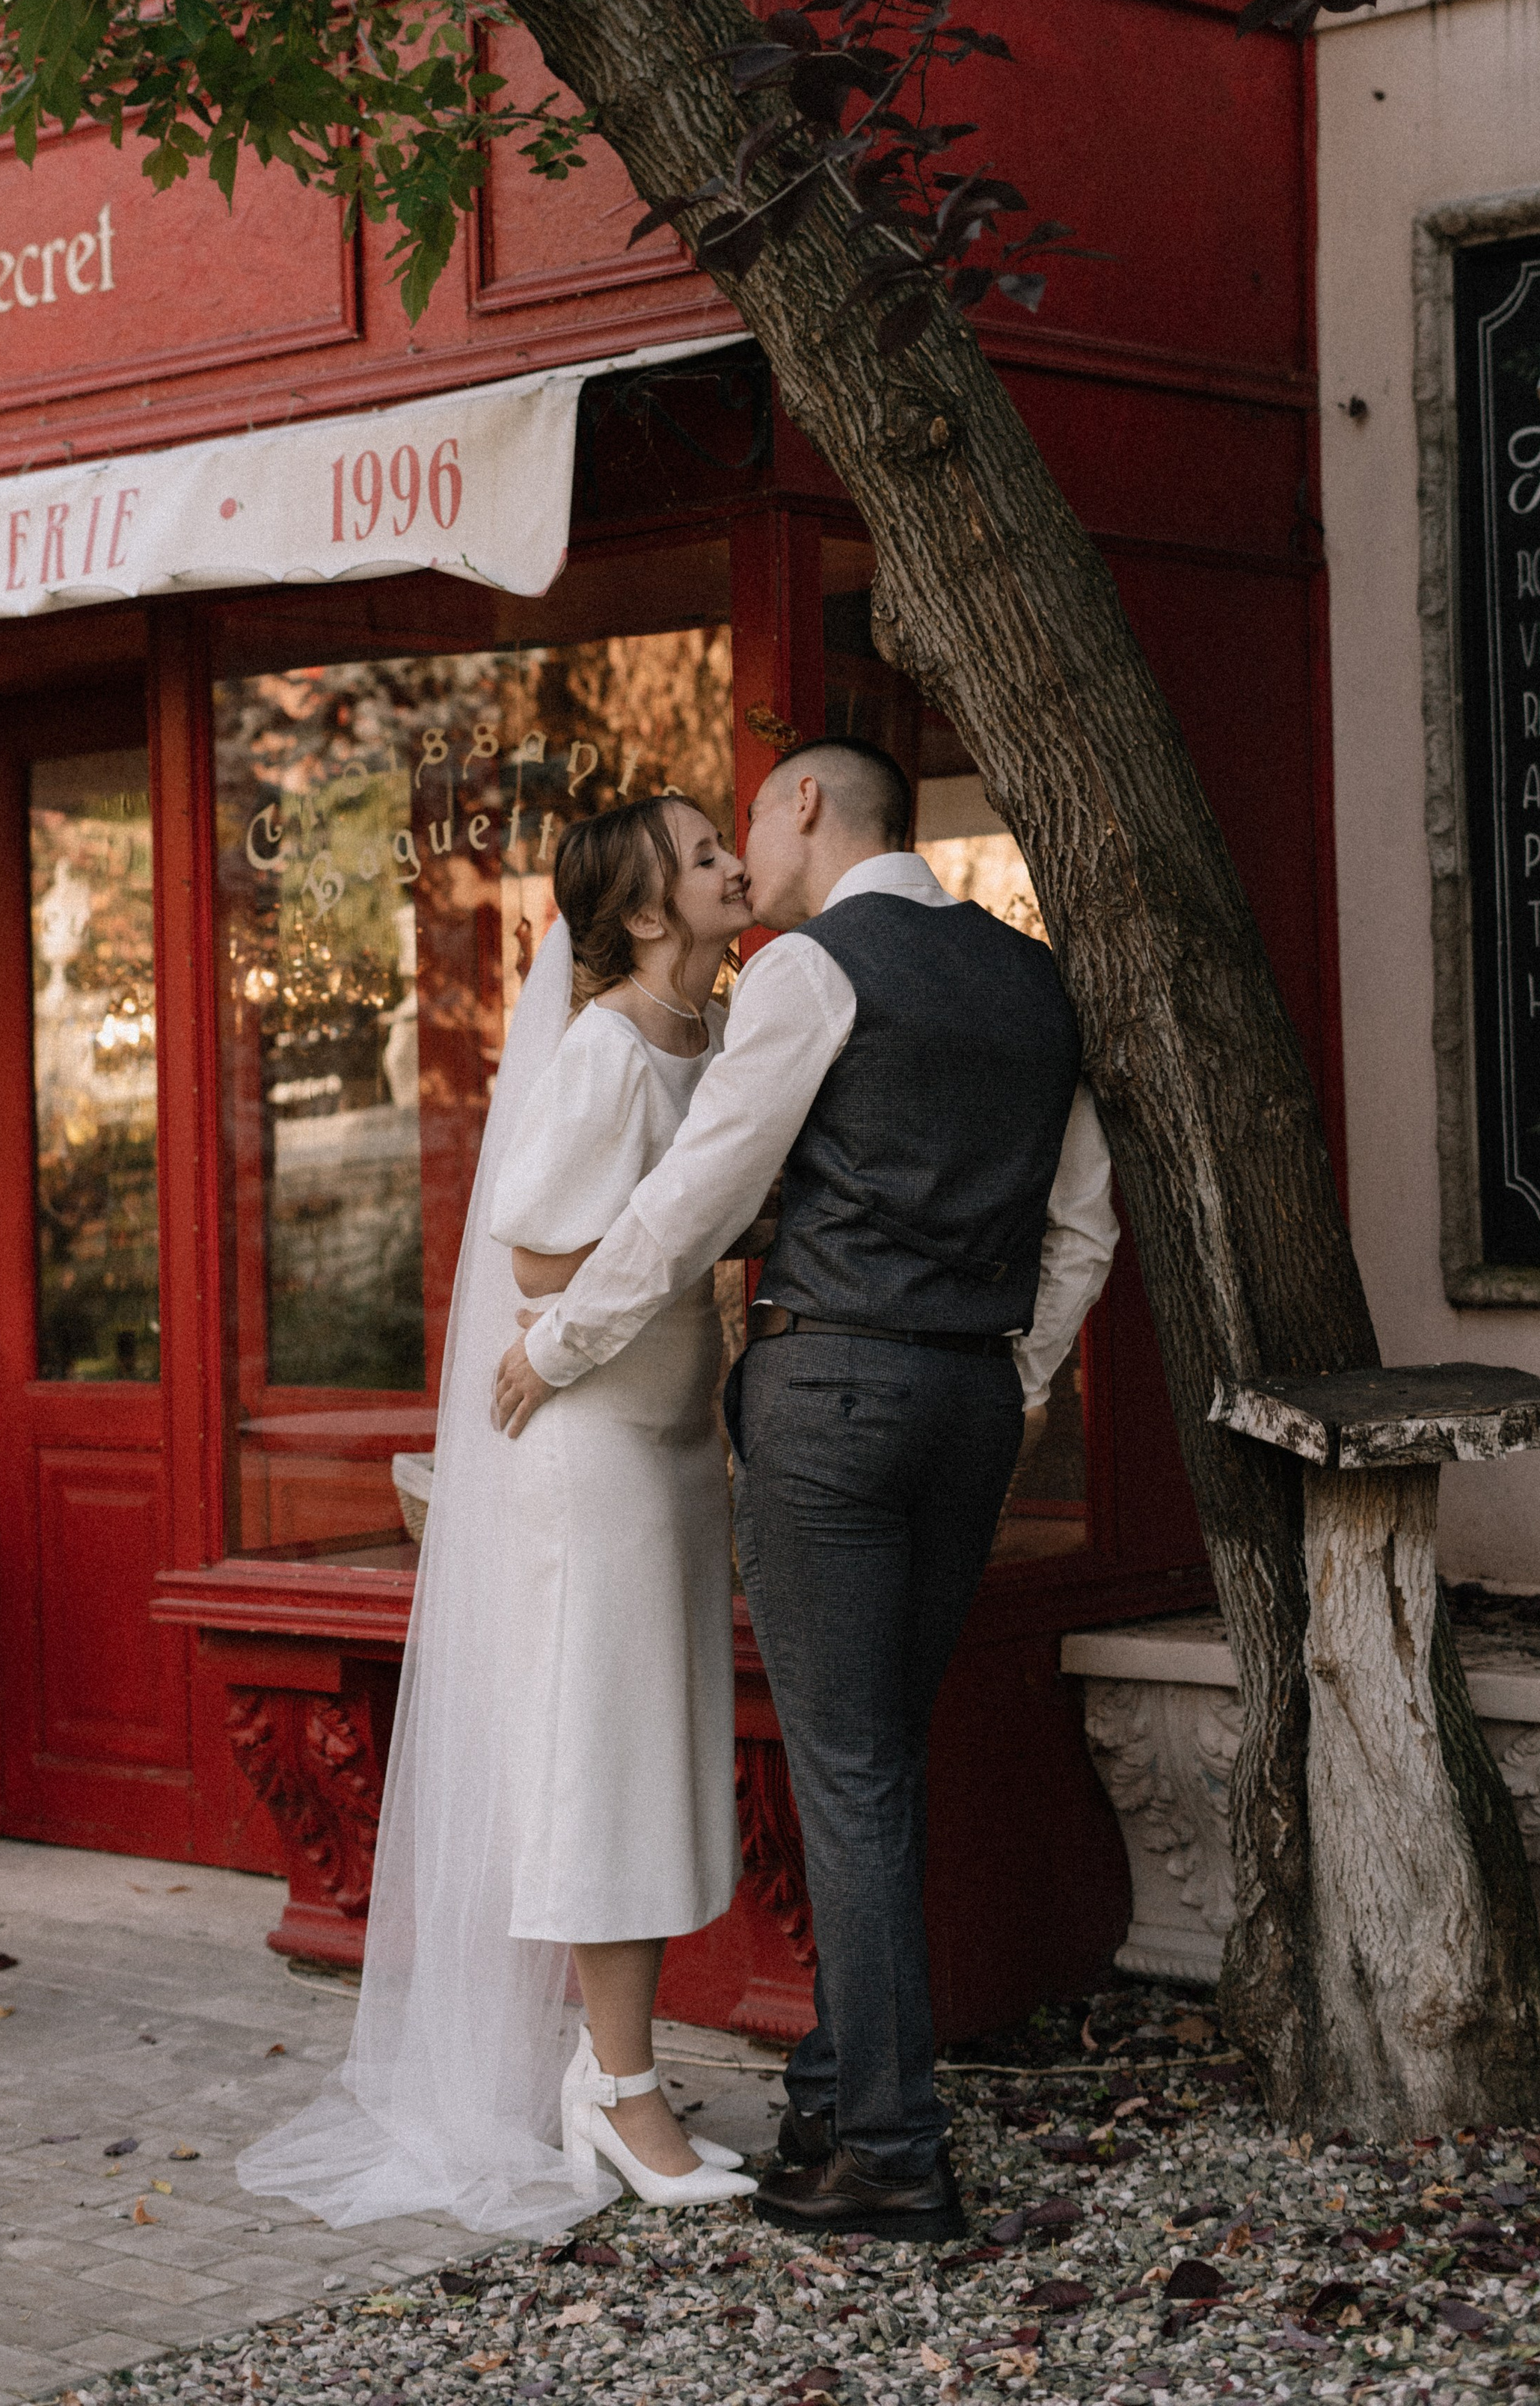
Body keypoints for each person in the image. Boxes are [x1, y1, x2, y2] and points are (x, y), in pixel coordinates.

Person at [494, 737, 1117, 2244]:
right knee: (877, 1753)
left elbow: (699, 1192)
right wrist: (1014, 1379)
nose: (743, 867)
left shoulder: (807, 971)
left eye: (748, 826)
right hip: (969, 1402)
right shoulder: (1033, 978)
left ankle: (889, 2150)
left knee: (848, 1772)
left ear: (804, 810)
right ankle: (840, 2091)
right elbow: (1081, 1222)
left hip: (833, 1397)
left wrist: (559, 1344)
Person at [239, 792, 758, 2237]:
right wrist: (695, 1240)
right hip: (586, 1454)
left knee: (648, 1755)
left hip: (659, 1442)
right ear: (646, 914)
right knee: (604, 1763)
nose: (733, 863)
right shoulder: (602, 1055)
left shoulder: (707, 1037)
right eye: (704, 853)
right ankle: (625, 2091)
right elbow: (533, 1258)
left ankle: (612, 2067)